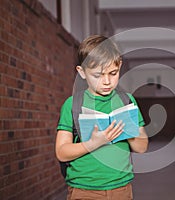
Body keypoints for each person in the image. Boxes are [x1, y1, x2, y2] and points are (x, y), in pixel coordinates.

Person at [55, 35, 148, 200]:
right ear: (82, 72)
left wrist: (128, 132)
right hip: (84, 190)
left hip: (121, 188)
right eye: (98, 75)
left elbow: (142, 147)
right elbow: (62, 152)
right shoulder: (73, 104)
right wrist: (93, 143)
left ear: (120, 66)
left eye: (113, 73)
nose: (107, 81)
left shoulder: (127, 101)